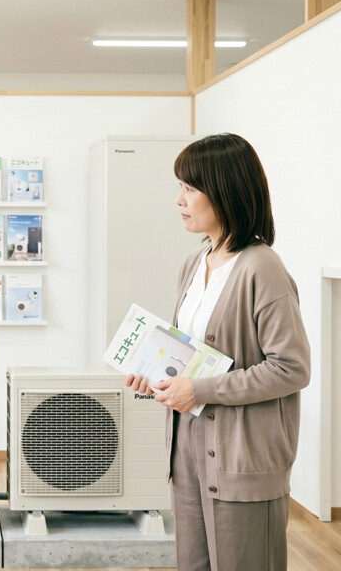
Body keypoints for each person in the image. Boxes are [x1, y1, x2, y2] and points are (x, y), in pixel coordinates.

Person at [125, 133, 310, 571]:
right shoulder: (194, 262)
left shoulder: (262, 267)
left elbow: (291, 367)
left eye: (190, 188)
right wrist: (154, 376)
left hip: (241, 454)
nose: (179, 200)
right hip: (187, 446)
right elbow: (190, 355)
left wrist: (201, 389)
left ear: (224, 190)